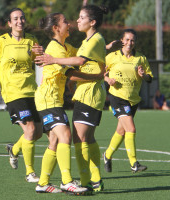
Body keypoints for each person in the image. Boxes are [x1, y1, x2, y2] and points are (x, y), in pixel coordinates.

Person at [35, 4, 109, 192]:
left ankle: (43, 183)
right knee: (66, 136)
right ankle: (67, 180)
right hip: (48, 99)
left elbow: (86, 53)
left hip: (55, 99)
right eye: (65, 21)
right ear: (56, 28)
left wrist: (104, 48)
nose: (71, 23)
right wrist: (97, 76)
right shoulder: (55, 49)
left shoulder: (66, 46)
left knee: (55, 140)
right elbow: (72, 73)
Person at [0, 8, 43, 183]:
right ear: (9, 23)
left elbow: (38, 60)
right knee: (30, 129)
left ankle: (14, 150)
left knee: (38, 132)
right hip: (13, 93)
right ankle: (30, 173)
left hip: (32, 91)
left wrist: (42, 54)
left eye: (22, 18)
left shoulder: (32, 40)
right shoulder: (2, 41)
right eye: (16, 19)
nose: (20, 21)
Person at [102, 29, 153, 174]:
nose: (130, 43)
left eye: (132, 40)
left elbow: (150, 78)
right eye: (127, 40)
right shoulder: (112, 56)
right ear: (121, 41)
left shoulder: (140, 58)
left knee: (121, 131)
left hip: (133, 100)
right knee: (131, 129)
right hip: (117, 97)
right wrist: (107, 79)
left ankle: (107, 155)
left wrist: (143, 76)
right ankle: (133, 163)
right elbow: (100, 72)